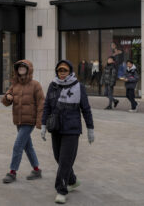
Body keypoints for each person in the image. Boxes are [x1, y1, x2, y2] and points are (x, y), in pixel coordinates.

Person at [41, 60, 94, 204]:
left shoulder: (79, 86)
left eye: (64, 70)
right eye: (59, 70)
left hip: (72, 129)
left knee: (65, 160)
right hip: (56, 127)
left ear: (70, 71)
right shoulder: (53, 86)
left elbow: (86, 109)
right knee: (59, 158)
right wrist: (43, 124)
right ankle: (72, 180)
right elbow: (47, 106)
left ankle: (61, 190)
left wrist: (90, 128)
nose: (62, 73)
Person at [1, 60, 45, 183]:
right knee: (27, 146)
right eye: (19, 67)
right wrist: (7, 97)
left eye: (23, 67)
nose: (21, 69)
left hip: (29, 121)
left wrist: (40, 121)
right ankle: (36, 170)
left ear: (28, 69)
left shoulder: (35, 85)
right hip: (19, 120)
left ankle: (12, 172)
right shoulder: (15, 84)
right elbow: (5, 102)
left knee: (18, 146)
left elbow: (42, 103)